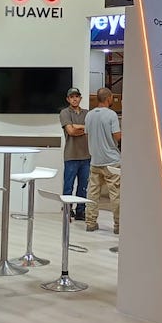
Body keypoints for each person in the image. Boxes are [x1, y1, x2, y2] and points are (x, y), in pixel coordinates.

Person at [83, 87, 121, 234]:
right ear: (109, 98)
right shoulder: (111, 115)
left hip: (95, 160)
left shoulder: (89, 115)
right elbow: (117, 136)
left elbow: (87, 135)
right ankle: (118, 225)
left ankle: (90, 223)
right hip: (112, 161)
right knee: (116, 194)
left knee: (92, 193)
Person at [59, 87, 89, 221]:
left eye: (77, 96)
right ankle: (67, 210)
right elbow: (70, 131)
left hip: (86, 155)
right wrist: (83, 128)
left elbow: (90, 129)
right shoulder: (64, 113)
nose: (74, 99)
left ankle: (80, 211)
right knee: (68, 186)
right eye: (72, 97)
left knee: (83, 187)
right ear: (68, 99)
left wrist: (77, 126)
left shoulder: (87, 113)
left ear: (80, 98)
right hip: (71, 155)